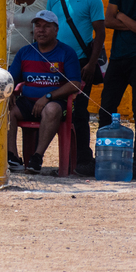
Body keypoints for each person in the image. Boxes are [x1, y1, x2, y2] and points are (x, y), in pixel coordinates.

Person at [45, 0, 105, 176]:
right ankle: (62, 160)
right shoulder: (53, 0)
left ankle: (83, 160)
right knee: (55, 110)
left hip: (81, 63)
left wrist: (91, 64)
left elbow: (99, 33)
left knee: (79, 111)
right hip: (56, 63)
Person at [7, 10, 82, 174]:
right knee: (5, 107)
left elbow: (75, 84)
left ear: (56, 30)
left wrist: (48, 97)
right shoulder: (25, 52)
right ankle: (12, 157)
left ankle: (36, 158)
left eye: (46, 26)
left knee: (52, 109)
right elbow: (11, 79)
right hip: (27, 103)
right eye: (38, 26)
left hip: (55, 104)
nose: (41, 30)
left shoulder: (66, 52)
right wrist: (10, 91)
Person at [99, 0, 136, 161]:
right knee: (106, 105)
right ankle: (106, 154)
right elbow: (108, 20)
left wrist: (121, 16)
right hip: (118, 57)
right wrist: (131, 20)